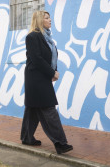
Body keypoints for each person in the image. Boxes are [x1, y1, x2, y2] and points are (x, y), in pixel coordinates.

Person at [20, 10, 73, 154]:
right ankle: (60, 143)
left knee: (33, 109)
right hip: (36, 79)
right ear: (39, 20)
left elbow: (50, 57)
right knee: (49, 109)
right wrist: (52, 72)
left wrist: (53, 72)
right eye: (47, 18)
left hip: (42, 77)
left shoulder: (47, 39)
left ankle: (26, 137)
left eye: (50, 18)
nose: (50, 20)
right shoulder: (32, 37)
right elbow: (37, 59)